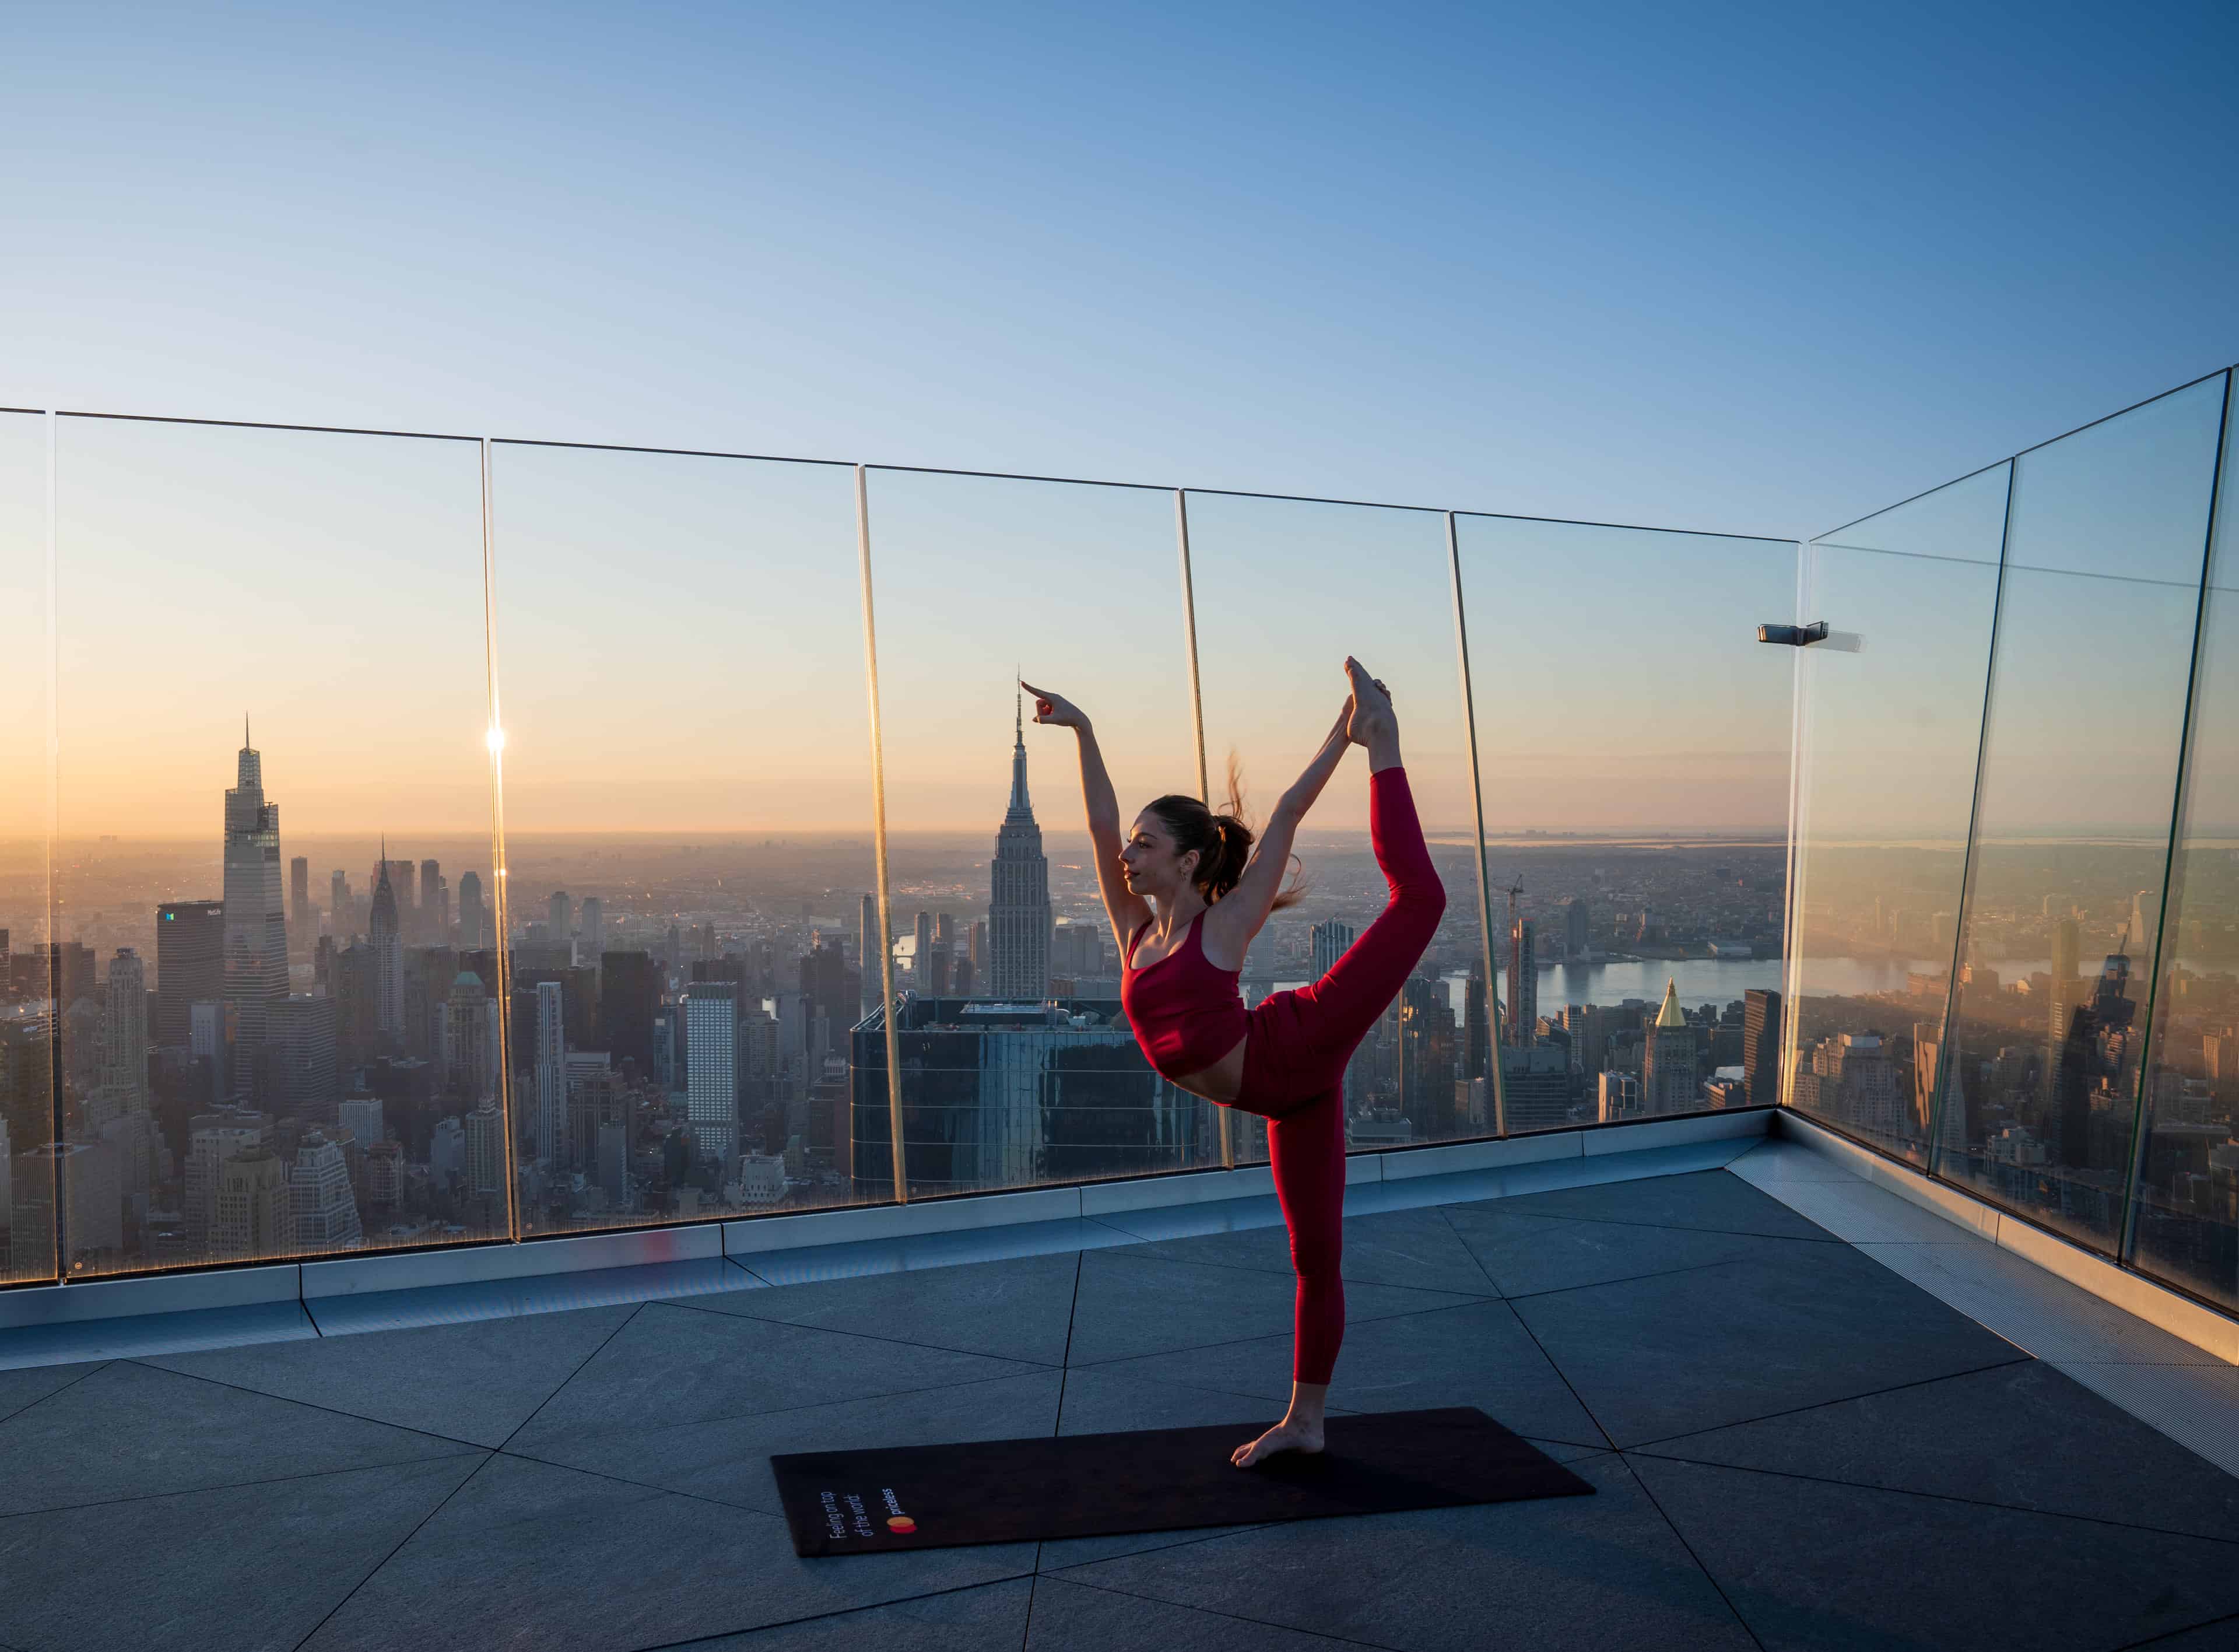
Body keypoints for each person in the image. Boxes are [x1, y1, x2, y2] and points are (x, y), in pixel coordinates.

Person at [1020, 658, 1445, 1467]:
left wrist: (1348, 735)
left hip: (1300, 1043)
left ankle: (1385, 740)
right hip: (1288, 1098)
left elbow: (1286, 811)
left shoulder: (1226, 924)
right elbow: (1100, 822)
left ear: (1187, 861)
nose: (1128, 854)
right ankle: (1307, 1421)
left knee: (1421, 901)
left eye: (1148, 843)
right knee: (1314, 1257)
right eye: (1132, 843)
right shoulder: (1134, 933)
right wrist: (1083, 728)